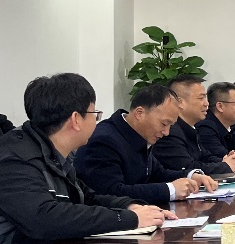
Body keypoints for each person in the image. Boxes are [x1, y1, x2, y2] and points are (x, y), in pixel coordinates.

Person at [0, 73, 170, 244]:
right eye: (94, 114)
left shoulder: (51, 152)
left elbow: (85, 197)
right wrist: (129, 219)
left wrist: (131, 206)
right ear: (76, 119)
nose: (97, 121)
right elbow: (44, 218)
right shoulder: (15, 160)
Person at [74, 84, 214, 205]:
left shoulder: (138, 134)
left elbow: (157, 174)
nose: (166, 132)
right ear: (139, 113)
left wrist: (190, 176)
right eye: (164, 124)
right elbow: (111, 192)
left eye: (170, 125)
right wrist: (170, 190)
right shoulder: (104, 140)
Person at [156, 75, 235, 176]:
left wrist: (228, 161)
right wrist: (225, 166)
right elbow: (188, 168)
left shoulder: (191, 128)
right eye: (201, 98)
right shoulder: (170, 132)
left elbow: (204, 157)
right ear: (180, 102)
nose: (206, 103)